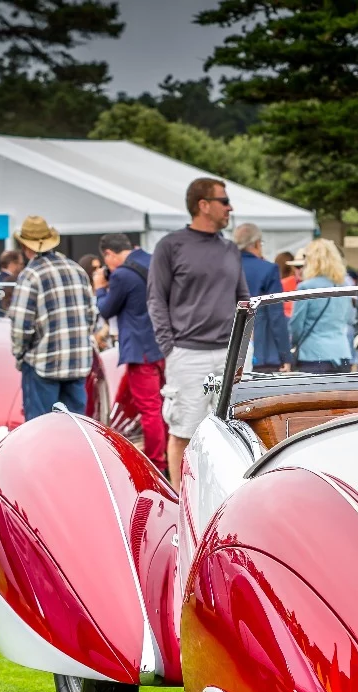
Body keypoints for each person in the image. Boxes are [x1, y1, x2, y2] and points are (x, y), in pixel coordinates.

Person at [147, 177, 248, 488]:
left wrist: (243, 349)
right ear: (203, 205)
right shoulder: (170, 246)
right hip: (187, 354)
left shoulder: (230, 249)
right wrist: (170, 348)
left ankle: (221, 494)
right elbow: (155, 299)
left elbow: (243, 299)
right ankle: (181, 500)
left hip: (229, 356)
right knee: (184, 431)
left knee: (231, 430)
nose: (230, 207)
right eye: (224, 200)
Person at [7, 215, 95, 424]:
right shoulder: (77, 270)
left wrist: (20, 355)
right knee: (76, 431)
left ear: (25, 246)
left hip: (43, 364)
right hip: (77, 363)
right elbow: (91, 315)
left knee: (40, 430)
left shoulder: (31, 275)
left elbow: (21, 326)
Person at [94, 234, 167, 475]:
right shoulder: (155, 260)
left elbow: (107, 309)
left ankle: (158, 464)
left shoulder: (122, 275)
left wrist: (100, 289)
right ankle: (165, 453)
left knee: (149, 409)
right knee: (162, 405)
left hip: (139, 350)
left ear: (109, 254)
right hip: (163, 346)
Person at [289, 239, 357, 372]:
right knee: (339, 393)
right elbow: (349, 318)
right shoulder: (344, 286)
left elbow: (297, 324)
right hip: (341, 352)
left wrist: (293, 343)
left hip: (313, 353)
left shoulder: (306, 287)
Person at [233, 223, 293, 374]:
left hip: (229, 349)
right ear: (256, 243)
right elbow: (276, 315)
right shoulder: (268, 269)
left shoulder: (225, 266)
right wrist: (285, 355)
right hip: (263, 351)